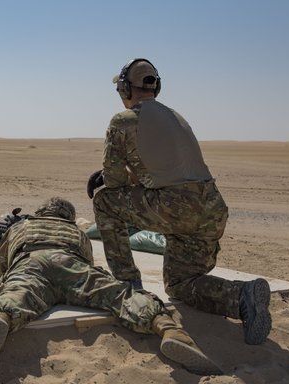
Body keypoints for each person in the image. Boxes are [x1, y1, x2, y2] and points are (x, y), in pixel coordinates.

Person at [87, 58, 271, 346]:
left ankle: (128, 286)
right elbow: (164, 171)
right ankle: (241, 297)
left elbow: (114, 183)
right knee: (180, 285)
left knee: (105, 202)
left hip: (175, 207)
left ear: (124, 88)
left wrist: (108, 177)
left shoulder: (124, 120)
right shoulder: (175, 116)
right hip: (211, 209)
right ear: (156, 87)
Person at [0, 197, 221, 384]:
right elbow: (86, 262)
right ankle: (168, 330)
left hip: (31, 260)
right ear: (67, 216)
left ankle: (2, 318)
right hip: (70, 263)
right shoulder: (76, 232)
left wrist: (9, 281)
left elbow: (3, 265)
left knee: (16, 293)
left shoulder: (18, 228)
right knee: (121, 295)